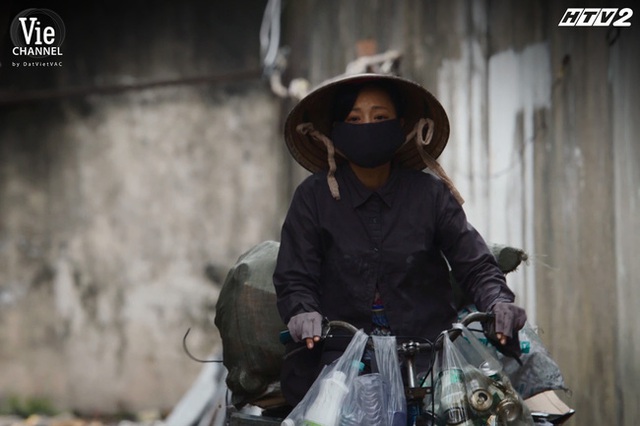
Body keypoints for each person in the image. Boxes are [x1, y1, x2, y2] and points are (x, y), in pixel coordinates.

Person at [273, 73, 527, 407]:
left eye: (380, 118)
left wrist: (497, 302)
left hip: (429, 357)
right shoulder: (313, 198)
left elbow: (476, 265)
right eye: (354, 119)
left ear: (401, 125)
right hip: (342, 361)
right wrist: (303, 312)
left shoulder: (431, 194)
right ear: (336, 131)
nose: (367, 126)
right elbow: (295, 277)